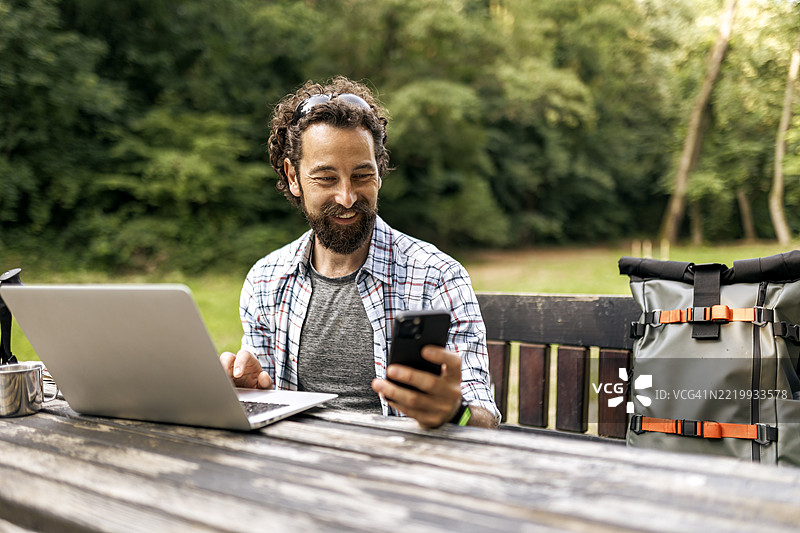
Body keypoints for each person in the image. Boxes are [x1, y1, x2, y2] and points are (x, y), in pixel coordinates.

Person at [219, 76, 499, 429]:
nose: (347, 197)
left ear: (379, 173)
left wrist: (453, 412)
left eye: (362, 175)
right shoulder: (266, 280)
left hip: (402, 470)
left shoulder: (437, 276)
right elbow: (267, 398)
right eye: (326, 178)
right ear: (293, 177)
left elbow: (484, 419)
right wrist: (246, 390)